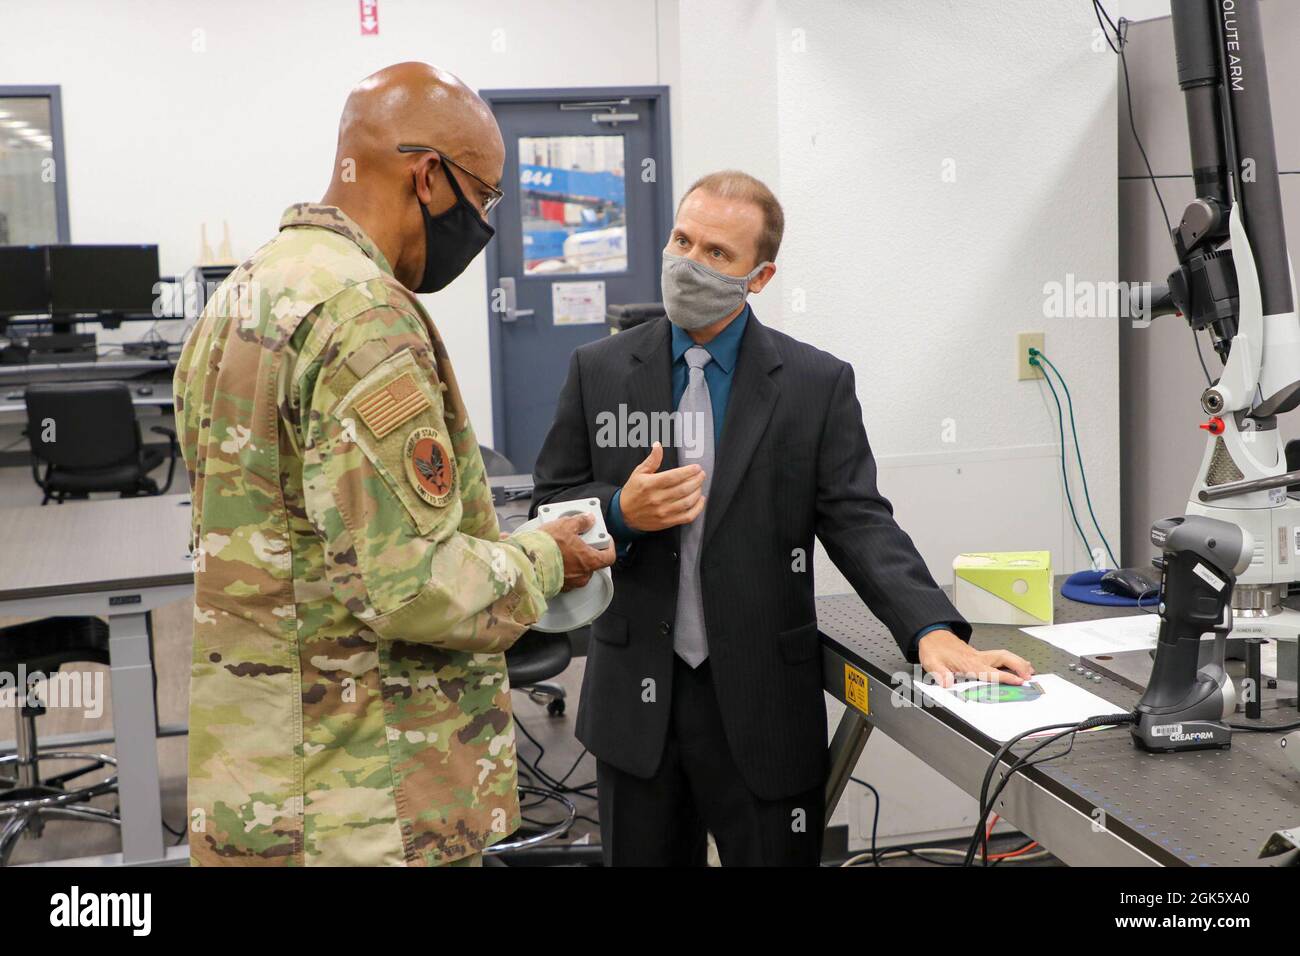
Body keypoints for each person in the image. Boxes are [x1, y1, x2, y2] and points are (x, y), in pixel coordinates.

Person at [173, 62, 612, 867]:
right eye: (485, 199)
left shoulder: (242, 293)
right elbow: (411, 587)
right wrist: (547, 556)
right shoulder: (363, 313)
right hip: (365, 803)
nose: (483, 225)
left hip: (258, 789)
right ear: (429, 177)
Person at [532, 170, 1034, 866]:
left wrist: (930, 627)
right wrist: (618, 514)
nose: (690, 263)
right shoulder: (600, 370)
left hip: (763, 707)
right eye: (683, 240)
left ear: (760, 277)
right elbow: (547, 510)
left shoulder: (814, 386)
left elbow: (859, 519)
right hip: (637, 707)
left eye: (717, 254)